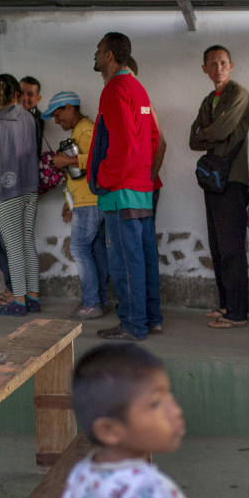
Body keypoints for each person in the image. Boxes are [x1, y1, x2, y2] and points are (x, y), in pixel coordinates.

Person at [59, 343, 195, 498]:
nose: (176, 410)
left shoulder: (81, 475)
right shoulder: (150, 491)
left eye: (169, 395)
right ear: (109, 431)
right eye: (156, 403)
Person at [87, 32, 162, 341]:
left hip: (120, 190)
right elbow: (153, 139)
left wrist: (104, 177)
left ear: (109, 55)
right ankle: (151, 318)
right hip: (141, 187)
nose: (95, 54)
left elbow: (124, 144)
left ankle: (133, 324)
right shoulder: (138, 89)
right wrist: (143, 174)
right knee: (144, 259)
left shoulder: (115, 88)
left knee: (124, 262)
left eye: (98, 49)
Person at [189, 45, 249, 329]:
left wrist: (208, 136)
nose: (218, 68)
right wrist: (209, 136)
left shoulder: (239, 94)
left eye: (223, 63)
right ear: (204, 69)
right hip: (213, 180)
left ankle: (238, 313)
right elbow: (193, 138)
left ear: (232, 65)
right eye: (212, 64)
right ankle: (226, 304)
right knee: (217, 246)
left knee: (232, 248)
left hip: (232, 179)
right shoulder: (209, 99)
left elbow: (222, 131)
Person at [0, 74, 41, 316]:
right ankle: (33, 298)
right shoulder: (28, 118)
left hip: (6, 189)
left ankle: (19, 302)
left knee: (13, 246)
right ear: (16, 95)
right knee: (27, 243)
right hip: (30, 186)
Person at [47, 92, 109, 319]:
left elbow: (99, 158)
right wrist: (68, 202)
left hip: (89, 201)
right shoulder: (79, 130)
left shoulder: (85, 129)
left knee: (79, 248)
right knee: (96, 250)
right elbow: (79, 175)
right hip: (88, 200)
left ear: (70, 107)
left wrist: (66, 160)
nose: (56, 120)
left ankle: (91, 303)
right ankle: (100, 299)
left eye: (58, 114)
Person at [126, 57, 167, 218]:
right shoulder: (117, 102)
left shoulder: (143, 104)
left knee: (139, 238)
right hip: (125, 188)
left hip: (141, 186)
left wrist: (148, 181)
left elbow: (161, 143)